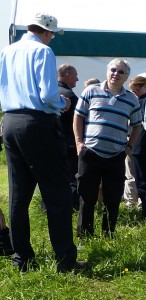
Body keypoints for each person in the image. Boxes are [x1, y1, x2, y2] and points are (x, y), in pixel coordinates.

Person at [0, 12, 87, 272]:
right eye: (52, 35)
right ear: (47, 32)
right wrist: (63, 103)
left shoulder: (7, 50)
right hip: (37, 123)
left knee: (18, 195)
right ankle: (65, 261)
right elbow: (48, 94)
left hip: (10, 121)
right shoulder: (42, 52)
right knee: (57, 194)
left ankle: (22, 259)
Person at [73, 58, 142, 238]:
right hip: (90, 153)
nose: (115, 74)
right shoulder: (91, 91)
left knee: (112, 199)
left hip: (116, 155)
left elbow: (137, 125)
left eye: (121, 72)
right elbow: (78, 117)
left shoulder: (131, 99)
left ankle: (108, 234)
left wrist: (129, 146)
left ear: (126, 76)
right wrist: (79, 143)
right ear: (107, 71)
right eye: (113, 70)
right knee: (87, 197)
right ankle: (85, 236)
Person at [58, 64, 79, 210]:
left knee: (53, 177)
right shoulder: (70, 96)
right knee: (72, 178)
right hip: (69, 143)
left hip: (51, 143)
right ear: (67, 75)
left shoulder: (51, 93)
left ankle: (48, 206)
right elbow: (76, 123)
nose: (77, 79)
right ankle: (72, 207)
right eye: (75, 75)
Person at [129, 74, 146, 219]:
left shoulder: (140, 103)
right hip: (138, 146)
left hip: (139, 147)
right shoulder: (139, 102)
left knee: (141, 182)